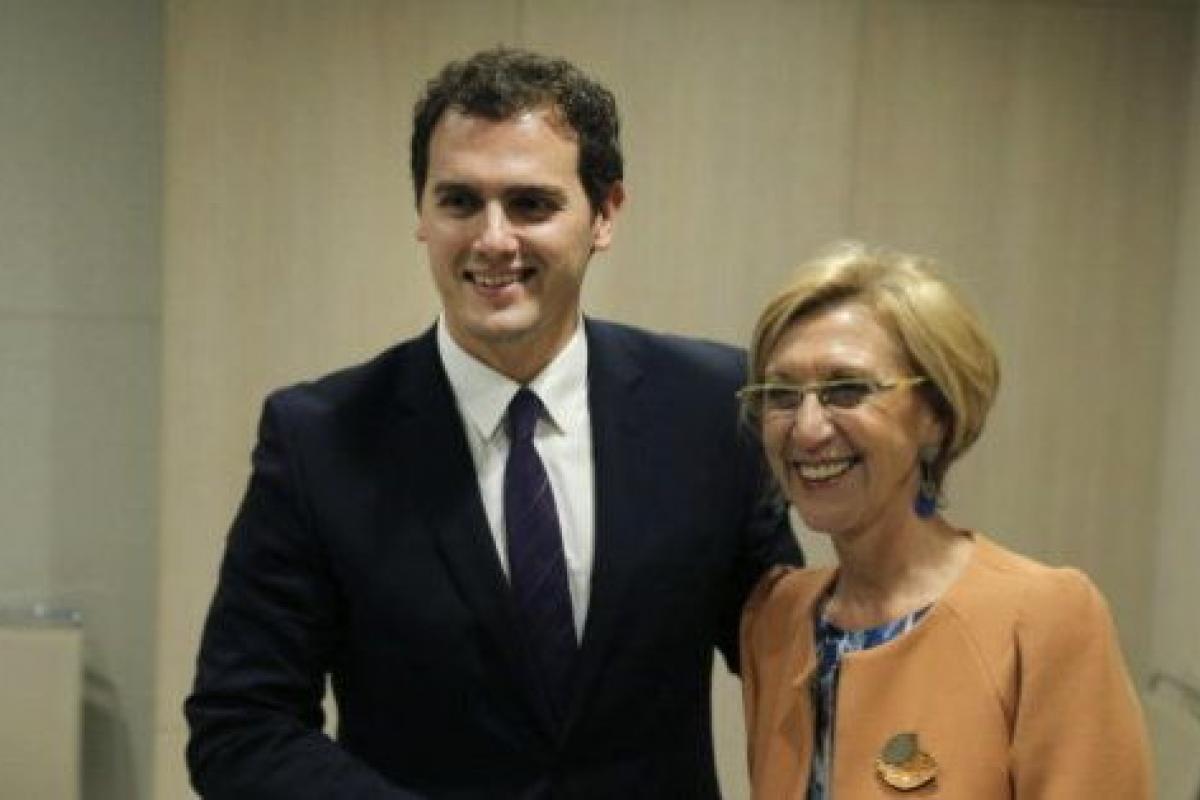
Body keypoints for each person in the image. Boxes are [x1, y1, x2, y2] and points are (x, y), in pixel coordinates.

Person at [184, 46, 802, 799]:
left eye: (531, 204)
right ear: (422, 214)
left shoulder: (711, 407)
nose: (493, 239)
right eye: (459, 201)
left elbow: (795, 658)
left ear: (605, 213)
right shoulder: (321, 439)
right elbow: (242, 725)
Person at [737, 242, 1152, 798]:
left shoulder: (1043, 620)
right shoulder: (775, 616)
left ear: (936, 414)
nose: (807, 429)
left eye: (848, 390)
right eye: (783, 395)